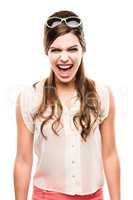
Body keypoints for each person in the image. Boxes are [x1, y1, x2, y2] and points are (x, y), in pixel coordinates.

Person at [14, 10, 120, 200]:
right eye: (56, 50)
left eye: (72, 49)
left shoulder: (102, 94)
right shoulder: (29, 97)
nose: (64, 58)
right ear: (47, 51)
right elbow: (23, 160)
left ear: (83, 50)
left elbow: (110, 155)